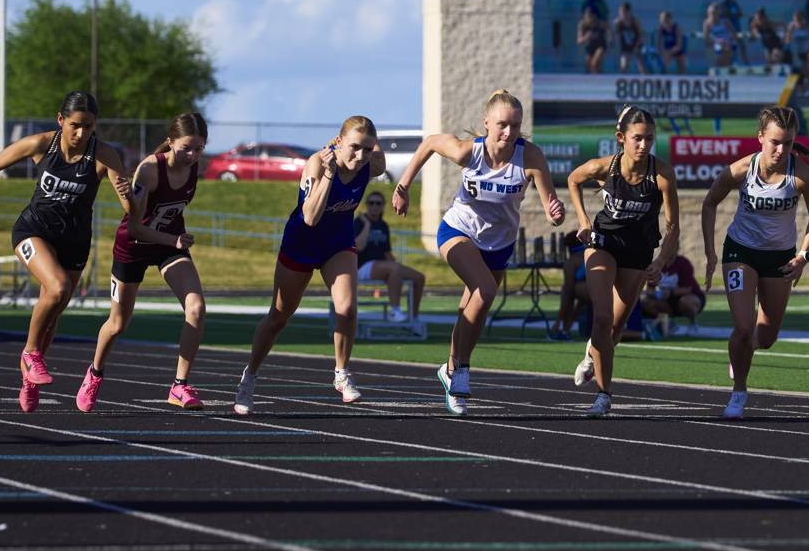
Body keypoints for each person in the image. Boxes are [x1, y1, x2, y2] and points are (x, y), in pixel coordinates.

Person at [393, 90, 564, 416]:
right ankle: (463, 371)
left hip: (499, 245)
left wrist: (555, 212)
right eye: (501, 125)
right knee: (484, 291)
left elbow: (550, 206)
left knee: (472, 310)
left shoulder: (530, 157)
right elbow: (429, 142)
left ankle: (450, 370)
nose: (508, 132)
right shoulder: (466, 153)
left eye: (515, 125)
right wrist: (403, 187)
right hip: (458, 232)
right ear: (486, 124)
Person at [0, 91, 132, 413]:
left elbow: (130, 209)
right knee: (57, 288)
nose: (82, 134)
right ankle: (30, 353)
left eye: (89, 127)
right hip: (33, 231)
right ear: (61, 120)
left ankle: (28, 379)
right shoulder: (42, 144)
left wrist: (130, 196)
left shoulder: (103, 154)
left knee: (52, 315)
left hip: (74, 241)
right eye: (76, 126)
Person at [233, 116, 385, 416]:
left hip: (338, 244)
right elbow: (311, 217)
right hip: (302, 243)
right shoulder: (317, 163)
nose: (360, 156)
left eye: (367, 149)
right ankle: (249, 376)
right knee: (278, 317)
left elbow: (378, 155)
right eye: (354, 147)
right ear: (338, 142)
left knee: (347, 309)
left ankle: (342, 373)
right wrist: (329, 175)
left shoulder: (371, 163)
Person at [76, 113, 210, 413]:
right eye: (186, 148)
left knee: (197, 307)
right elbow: (135, 227)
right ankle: (94, 373)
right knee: (118, 323)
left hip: (168, 246)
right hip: (135, 247)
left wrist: (173, 241)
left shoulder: (193, 169)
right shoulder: (149, 170)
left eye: (199, 149)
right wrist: (173, 241)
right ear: (171, 141)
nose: (192, 155)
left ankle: (180, 385)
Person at [701, 107, 809, 420]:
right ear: (760, 138)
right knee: (743, 326)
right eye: (774, 142)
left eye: (788, 143)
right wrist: (711, 252)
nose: (781, 150)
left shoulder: (802, 176)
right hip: (740, 251)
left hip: (780, 257)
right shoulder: (742, 169)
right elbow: (710, 202)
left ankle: (743, 352)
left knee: (765, 338)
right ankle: (739, 392)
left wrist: (803, 256)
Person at [568, 106, 679, 417]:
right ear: (621, 138)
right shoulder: (604, 167)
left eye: (649, 139)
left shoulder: (662, 174)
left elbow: (673, 227)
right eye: (637, 139)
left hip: (638, 251)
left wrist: (661, 261)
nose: (643, 146)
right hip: (602, 243)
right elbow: (573, 179)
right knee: (602, 318)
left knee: (615, 326)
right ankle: (604, 396)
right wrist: (583, 220)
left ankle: (592, 354)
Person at [355, 191, 426, 322]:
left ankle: (414, 317)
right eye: (371, 203)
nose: (374, 206)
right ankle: (395, 311)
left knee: (419, 278)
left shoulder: (383, 226)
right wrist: (367, 225)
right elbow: (358, 247)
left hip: (383, 266)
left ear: (383, 206)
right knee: (393, 268)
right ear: (366, 205)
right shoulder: (359, 222)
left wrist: (398, 268)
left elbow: (387, 253)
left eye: (378, 203)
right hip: (362, 267)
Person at [639, 253, 704, 329]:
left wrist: (670, 293)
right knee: (645, 302)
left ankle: (693, 322)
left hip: (685, 297)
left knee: (686, 302)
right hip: (667, 301)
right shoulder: (657, 265)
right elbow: (650, 288)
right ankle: (668, 323)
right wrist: (655, 294)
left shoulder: (683, 263)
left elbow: (688, 288)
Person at [547, 230, 588, 341]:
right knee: (576, 295)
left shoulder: (572, 261)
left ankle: (562, 327)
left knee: (567, 290)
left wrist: (559, 319)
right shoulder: (592, 253)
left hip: (596, 291)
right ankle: (566, 328)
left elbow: (568, 292)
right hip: (602, 290)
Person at [703, 3, 740, 68]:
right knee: (720, 58)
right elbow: (706, 38)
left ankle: (729, 70)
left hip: (729, 43)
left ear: (718, 12)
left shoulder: (725, 21)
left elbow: (734, 35)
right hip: (718, 44)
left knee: (727, 55)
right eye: (711, 13)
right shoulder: (707, 23)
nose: (712, 15)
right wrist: (716, 41)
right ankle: (719, 74)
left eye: (714, 12)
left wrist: (727, 42)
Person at [720, 0, 749, 64]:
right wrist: (733, 15)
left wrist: (734, 15)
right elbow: (725, 15)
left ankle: (746, 63)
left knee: (742, 46)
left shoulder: (735, 3)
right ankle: (730, 63)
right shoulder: (724, 5)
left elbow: (740, 13)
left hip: (737, 29)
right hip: (729, 30)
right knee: (729, 47)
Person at [614, 2, 645, 74]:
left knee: (642, 65)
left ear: (629, 12)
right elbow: (614, 36)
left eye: (624, 12)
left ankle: (645, 79)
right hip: (625, 47)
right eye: (620, 12)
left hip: (636, 45)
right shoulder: (618, 23)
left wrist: (636, 47)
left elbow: (641, 35)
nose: (622, 14)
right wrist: (615, 27)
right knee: (624, 66)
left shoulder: (635, 21)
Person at [577, 7, 609, 74]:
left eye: (590, 16)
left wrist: (610, 39)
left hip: (601, 45)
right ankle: (597, 79)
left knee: (595, 63)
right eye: (586, 16)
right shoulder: (582, 25)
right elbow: (579, 41)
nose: (588, 18)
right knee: (590, 66)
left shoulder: (601, 23)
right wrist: (586, 37)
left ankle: (599, 79)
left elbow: (610, 30)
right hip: (590, 47)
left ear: (595, 16)